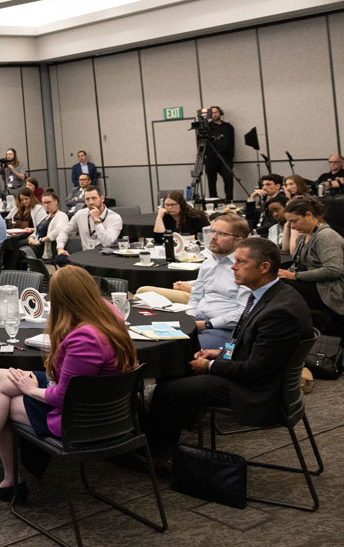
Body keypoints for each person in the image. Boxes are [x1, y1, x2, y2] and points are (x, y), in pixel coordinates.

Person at [0, 266, 136, 501]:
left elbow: (63, 396)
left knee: (1, 405)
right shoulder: (109, 312)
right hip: (103, 402)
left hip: (83, 417)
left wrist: (31, 390)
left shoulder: (86, 338)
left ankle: (9, 479)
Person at [146, 238, 313, 468]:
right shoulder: (270, 294)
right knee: (180, 368)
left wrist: (210, 366)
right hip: (259, 378)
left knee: (168, 389)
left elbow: (257, 371)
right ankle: (169, 435)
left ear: (264, 267)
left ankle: (158, 455)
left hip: (259, 392)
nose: (233, 267)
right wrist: (219, 352)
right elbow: (249, 344)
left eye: (241, 261)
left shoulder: (279, 312)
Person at [137, 213, 251, 350]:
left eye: (221, 234)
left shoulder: (245, 269)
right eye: (213, 231)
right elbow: (195, 298)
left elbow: (243, 314)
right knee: (153, 339)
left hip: (223, 329)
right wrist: (190, 319)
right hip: (197, 321)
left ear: (238, 240)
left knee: (178, 349)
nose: (213, 237)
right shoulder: (208, 264)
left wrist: (206, 324)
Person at [277, 196, 344, 327]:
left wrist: (295, 276)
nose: (293, 227)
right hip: (313, 284)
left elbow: (334, 270)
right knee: (273, 280)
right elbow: (297, 262)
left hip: (329, 289)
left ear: (308, 215)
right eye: (289, 222)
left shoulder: (326, 236)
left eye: (294, 221)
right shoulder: (302, 237)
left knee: (278, 287)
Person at [56, 187, 123, 255]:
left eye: (94, 198)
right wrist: (60, 248)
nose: (91, 202)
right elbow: (65, 231)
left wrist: (96, 220)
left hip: (106, 256)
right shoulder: (80, 214)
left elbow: (107, 243)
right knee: (61, 259)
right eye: (87, 199)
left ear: (102, 198)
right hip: (86, 255)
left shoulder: (114, 218)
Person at [203, 105, 235, 199]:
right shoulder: (206, 127)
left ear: (220, 112)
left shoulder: (228, 127)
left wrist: (231, 156)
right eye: (212, 113)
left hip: (225, 159)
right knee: (212, 182)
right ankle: (214, 202)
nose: (214, 114)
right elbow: (201, 142)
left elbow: (232, 142)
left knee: (229, 180)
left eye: (216, 112)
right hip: (211, 159)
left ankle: (229, 201)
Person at [27, 189, 69, 260]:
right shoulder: (46, 216)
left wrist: (41, 240)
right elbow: (38, 230)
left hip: (44, 247)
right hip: (36, 243)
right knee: (17, 246)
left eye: (48, 202)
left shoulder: (61, 215)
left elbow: (58, 230)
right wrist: (32, 237)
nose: (46, 205)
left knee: (19, 248)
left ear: (56, 202)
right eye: (44, 203)